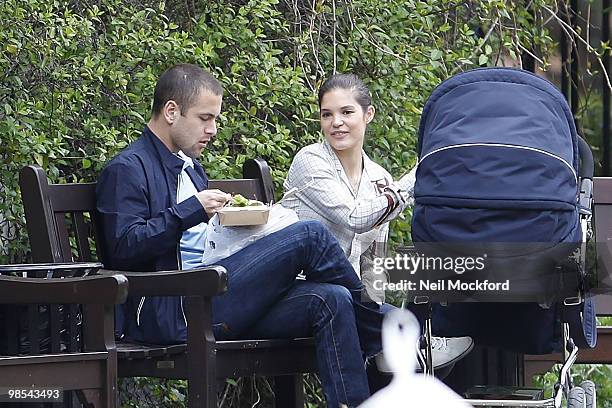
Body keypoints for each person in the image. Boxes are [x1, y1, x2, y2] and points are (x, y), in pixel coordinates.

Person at [96, 64, 389, 408]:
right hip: (174, 309)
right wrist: (190, 210)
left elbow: (202, 242)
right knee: (310, 234)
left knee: (333, 298)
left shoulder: (188, 165)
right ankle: (385, 332)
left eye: (215, 119)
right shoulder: (127, 168)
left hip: (212, 294)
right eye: (205, 118)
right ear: (172, 112)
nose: (213, 129)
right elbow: (123, 247)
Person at [282, 73, 473, 376]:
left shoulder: (379, 179)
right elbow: (356, 217)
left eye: (346, 112)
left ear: (367, 114)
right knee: (402, 333)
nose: (336, 123)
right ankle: (417, 342)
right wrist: (416, 177)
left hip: (347, 302)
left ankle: (405, 348)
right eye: (327, 114)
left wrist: (373, 311)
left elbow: (373, 261)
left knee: (413, 357)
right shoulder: (310, 161)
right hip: (299, 294)